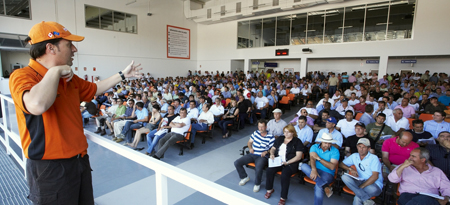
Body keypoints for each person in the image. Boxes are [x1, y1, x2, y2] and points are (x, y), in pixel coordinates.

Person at [9, 21, 142, 204]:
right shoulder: (23, 76)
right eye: (69, 45)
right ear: (51, 48)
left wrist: (122, 75)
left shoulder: (70, 78)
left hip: (79, 160)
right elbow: (37, 105)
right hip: (50, 167)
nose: (74, 49)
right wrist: (55, 72)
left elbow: (95, 88)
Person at [265, 125, 304, 205]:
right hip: (278, 161)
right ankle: (269, 189)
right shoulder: (280, 139)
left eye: (288, 132)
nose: (286, 134)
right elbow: (273, 148)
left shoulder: (297, 141)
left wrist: (287, 162)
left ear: (293, 133)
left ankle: (283, 197)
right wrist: (272, 154)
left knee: (285, 175)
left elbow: (298, 157)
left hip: (290, 163)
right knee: (269, 170)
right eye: (285, 131)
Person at [234, 120, 275, 193]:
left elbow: (272, 149)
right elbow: (249, 142)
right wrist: (250, 148)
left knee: (258, 167)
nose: (261, 128)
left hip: (261, 156)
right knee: (237, 162)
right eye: (259, 126)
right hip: (252, 154)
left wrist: (266, 151)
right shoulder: (255, 133)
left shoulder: (271, 137)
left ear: (266, 127)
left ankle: (257, 183)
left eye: (262, 127)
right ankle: (244, 177)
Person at [340, 138, 383, 205]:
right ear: (357, 147)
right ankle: (367, 200)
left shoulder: (373, 158)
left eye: (364, 147)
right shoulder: (354, 156)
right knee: (344, 177)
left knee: (358, 197)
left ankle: (362, 196)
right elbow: (341, 164)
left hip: (374, 184)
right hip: (360, 180)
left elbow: (375, 177)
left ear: (368, 149)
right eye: (359, 146)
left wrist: (361, 187)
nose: (361, 149)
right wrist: (350, 169)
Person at [301, 133, 340, 205]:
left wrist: (319, 158)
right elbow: (312, 158)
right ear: (321, 141)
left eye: (329, 143)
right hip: (315, 169)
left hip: (328, 173)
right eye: (325, 143)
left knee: (318, 187)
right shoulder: (314, 147)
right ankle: (325, 186)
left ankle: (322, 186)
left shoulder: (335, 151)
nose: (327, 145)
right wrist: (314, 169)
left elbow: (332, 167)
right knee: (303, 166)